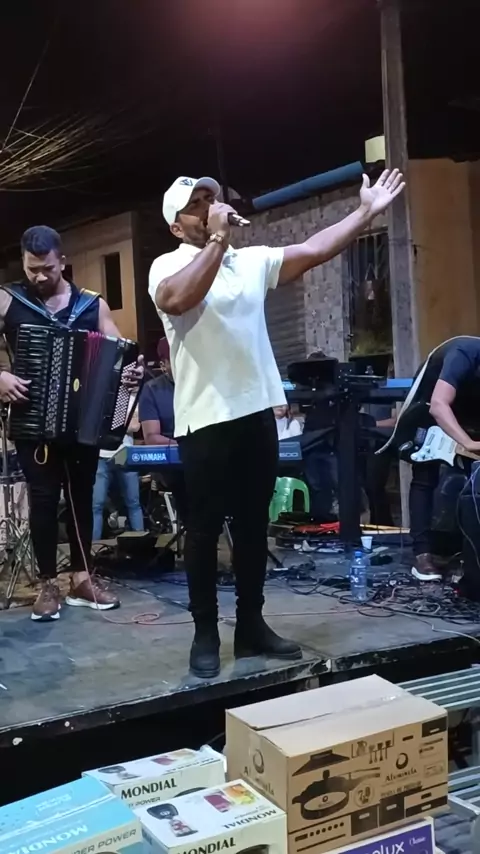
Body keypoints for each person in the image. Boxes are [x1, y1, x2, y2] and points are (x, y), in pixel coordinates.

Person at [149, 169, 405, 678]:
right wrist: (217, 239)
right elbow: (177, 300)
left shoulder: (248, 262)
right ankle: (205, 633)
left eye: (212, 198)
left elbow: (313, 249)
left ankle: (251, 627)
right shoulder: (168, 264)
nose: (209, 206)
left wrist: (364, 212)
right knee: (203, 531)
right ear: (177, 227)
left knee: (251, 528)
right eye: (196, 204)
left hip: (256, 413)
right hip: (205, 419)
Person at [0, 225, 144, 621]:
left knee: (82, 498)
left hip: (82, 422)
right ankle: (47, 583)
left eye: (47, 268)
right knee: (44, 500)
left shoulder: (91, 305)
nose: (39, 277)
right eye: (32, 269)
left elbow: (121, 352)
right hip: (32, 422)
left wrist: (131, 371)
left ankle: (82, 578)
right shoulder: (8, 300)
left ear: (62, 261)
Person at [388, 337, 480, 581]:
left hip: (468, 411)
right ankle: (422, 555)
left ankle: (467, 554)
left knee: (474, 481)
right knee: (425, 476)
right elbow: (438, 405)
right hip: (430, 405)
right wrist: (468, 442)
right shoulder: (464, 352)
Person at [138, 338, 187, 519]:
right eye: (175, 358)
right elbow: (152, 437)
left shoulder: (201, 387)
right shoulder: (152, 390)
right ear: (163, 365)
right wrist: (185, 446)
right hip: (174, 466)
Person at [92, 398, 144, 541]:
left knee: (133, 502)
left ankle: (141, 543)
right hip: (101, 455)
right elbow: (94, 423)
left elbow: (135, 426)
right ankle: (93, 547)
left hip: (125, 455)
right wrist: (123, 422)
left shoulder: (131, 398)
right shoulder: (99, 398)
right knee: (96, 505)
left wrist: (107, 423)